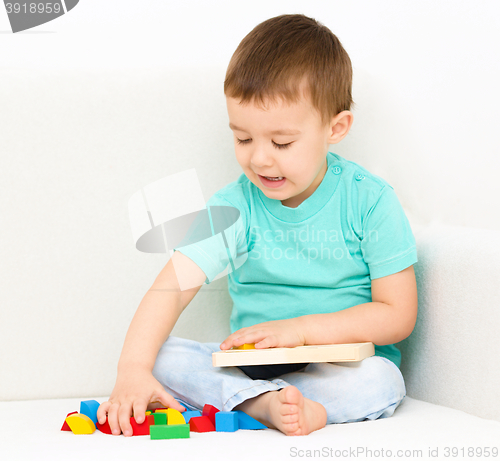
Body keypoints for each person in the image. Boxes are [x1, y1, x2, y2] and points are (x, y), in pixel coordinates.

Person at [97, 13, 418, 437]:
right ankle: (265, 402)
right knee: (160, 356)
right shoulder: (235, 208)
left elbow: (398, 315)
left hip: (338, 369)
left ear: (335, 128)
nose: (260, 159)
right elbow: (170, 289)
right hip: (250, 371)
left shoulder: (371, 201)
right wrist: (132, 369)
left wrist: (300, 331)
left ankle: (289, 405)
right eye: (243, 139)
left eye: (281, 143)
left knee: (383, 381)